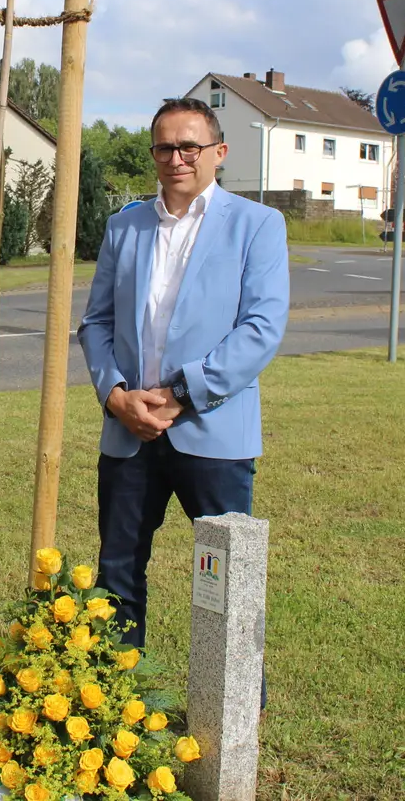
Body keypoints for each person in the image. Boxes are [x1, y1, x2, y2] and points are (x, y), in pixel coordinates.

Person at [77, 97, 289, 701]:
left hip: (213, 433)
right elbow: (95, 323)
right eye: (165, 147)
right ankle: (110, 704)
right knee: (117, 572)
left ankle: (238, 703)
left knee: (229, 578)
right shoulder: (126, 225)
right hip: (128, 430)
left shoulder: (257, 225)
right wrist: (116, 395)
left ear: (219, 153)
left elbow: (261, 329)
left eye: (190, 146)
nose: (176, 158)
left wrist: (180, 395)